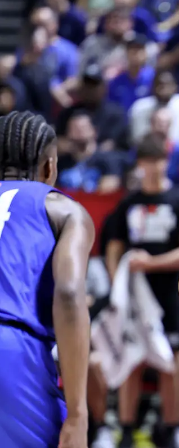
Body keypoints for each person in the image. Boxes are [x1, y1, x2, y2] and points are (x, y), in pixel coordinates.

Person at [0, 111, 95, 447]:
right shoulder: (63, 209)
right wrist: (78, 414)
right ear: (49, 167)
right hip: (11, 349)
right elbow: (68, 294)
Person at [105, 137, 179, 448]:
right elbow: (114, 246)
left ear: (166, 162)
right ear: (139, 164)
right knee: (131, 360)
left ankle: (173, 428)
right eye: (146, 161)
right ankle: (126, 429)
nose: (152, 167)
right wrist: (116, 282)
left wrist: (153, 263)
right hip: (135, 293)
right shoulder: (128, 203)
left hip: (170, 292)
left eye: (157, 160)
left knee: (169, 362)